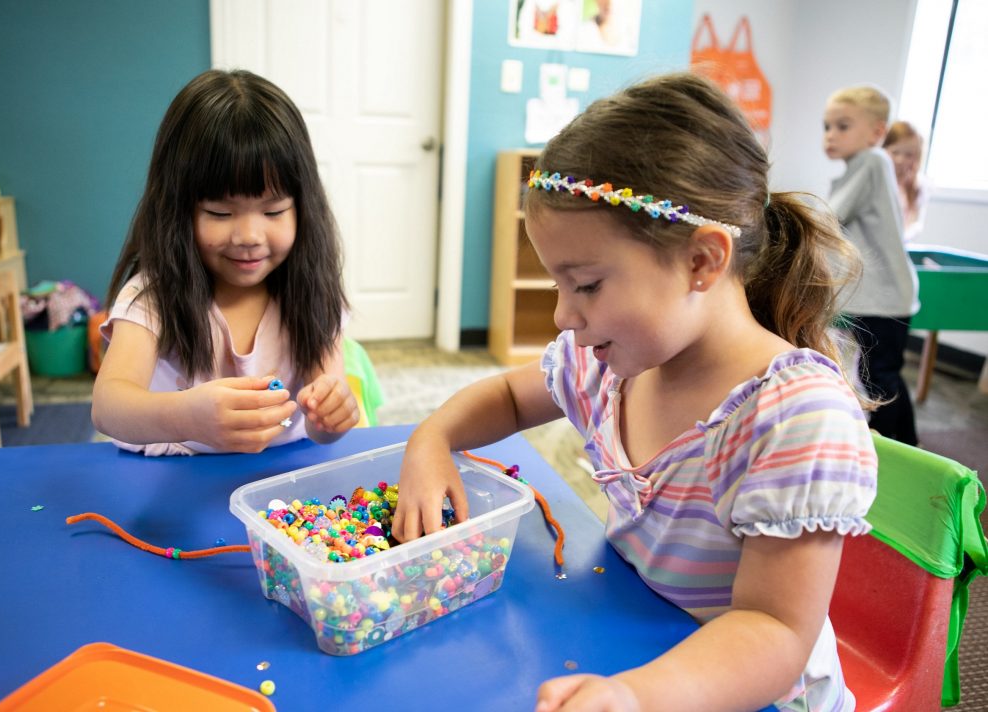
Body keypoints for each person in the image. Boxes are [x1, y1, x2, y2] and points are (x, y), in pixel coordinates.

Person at [393, 72, 877, 711]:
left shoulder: (797, 418)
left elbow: (774, 631)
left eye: (587, 285)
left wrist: (638, 697)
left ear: (702, 261)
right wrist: (433, 438)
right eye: (557, 286)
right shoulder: (608, 362)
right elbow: (508, 400)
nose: (565, 316)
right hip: (634, 636)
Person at [92, 69, 359, 456]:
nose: (249, 236)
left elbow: (322, 432)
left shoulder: (313, 293)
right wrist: (186, 416)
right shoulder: (151, 297)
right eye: (219, 212)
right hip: (176, 475)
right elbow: (108, 407)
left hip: (283, 483)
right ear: (178, 210)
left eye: (274, 211)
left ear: (303, 207)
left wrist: (333, 417)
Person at [824, 86, 920, 446]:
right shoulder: (861, 166)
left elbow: (829, 217)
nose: (830, 135)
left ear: (877, 132)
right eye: (828, 126)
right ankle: (907, 442)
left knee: (880, 379)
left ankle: (895, 449)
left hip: (884, 299)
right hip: (876, 297)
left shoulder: (872, 162)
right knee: (881, 375)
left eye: (843, 126)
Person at [883, 120, 928, 243]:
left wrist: (902, 238)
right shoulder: (879, 180)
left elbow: (916, 223)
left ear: (917, 156)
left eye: (909, 155)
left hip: (900, 245)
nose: (900, 160)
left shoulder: (917, 185)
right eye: (895, 152)